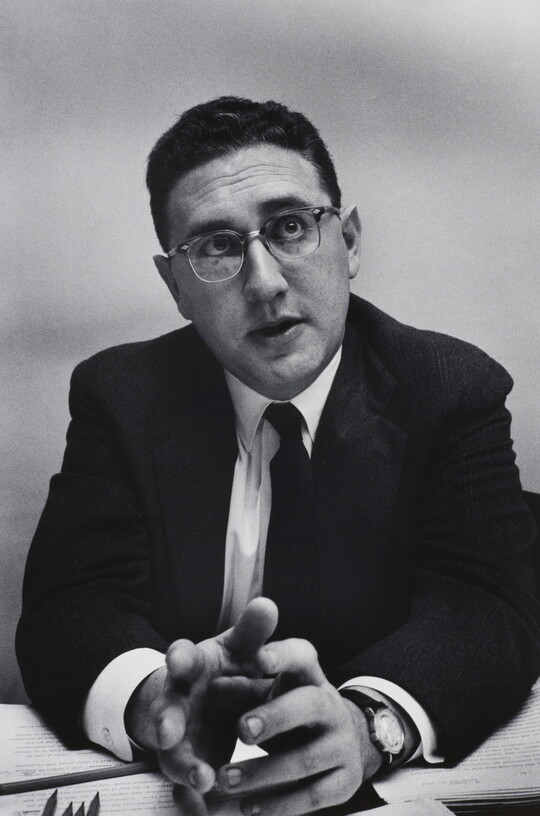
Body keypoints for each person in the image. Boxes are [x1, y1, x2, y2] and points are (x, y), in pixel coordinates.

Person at [16, 97, 540, 816]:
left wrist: (367, 725)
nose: (263, 281)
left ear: (349, 243)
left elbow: (485, 607)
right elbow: (70, 608)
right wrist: (154, 699)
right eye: (218, 248)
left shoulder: (448, 389)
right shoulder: (121, 397)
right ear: (174, 286)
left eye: (291, 228)